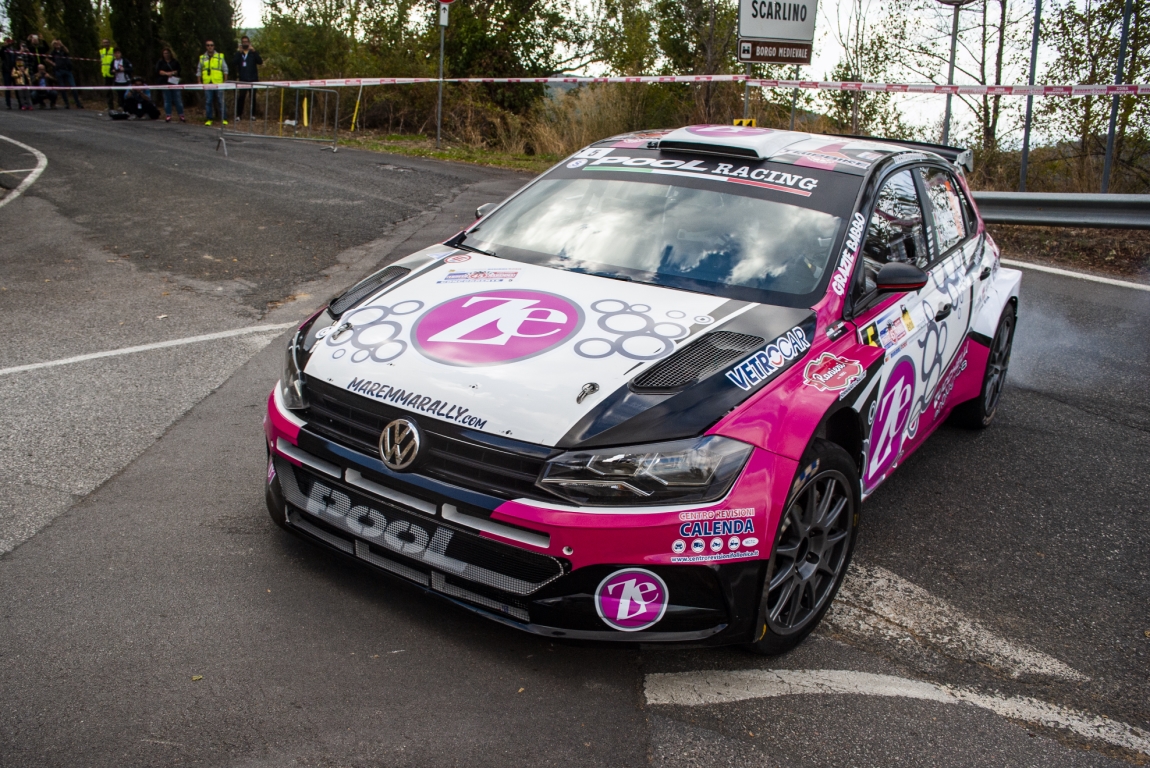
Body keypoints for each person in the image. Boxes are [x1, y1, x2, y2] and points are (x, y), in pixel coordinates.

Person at [197, 40, 228, 126]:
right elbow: (199, 69)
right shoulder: (202, 57)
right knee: (208, 101)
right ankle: (209, 119)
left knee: (221, 101)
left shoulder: (220, 56)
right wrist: (199, 81)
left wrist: (225, 81)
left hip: (218, 82)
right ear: (206, 47)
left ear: (214, 46)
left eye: (211, 45)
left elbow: (225, 69)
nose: (210, 47)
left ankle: (224, 118)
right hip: (207, 83)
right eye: (208, 45)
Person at [232, 35, 262, 120]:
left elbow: (260, 61)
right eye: (243, 42)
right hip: (243, 79)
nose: (245, 43)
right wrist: (238, 52)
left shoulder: (252, 53)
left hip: (253, 78)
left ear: (249, 43)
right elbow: (234, 63)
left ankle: (253, 115)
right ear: (241, 43)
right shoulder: (239, 53)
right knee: (241, 97)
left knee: (252, 97)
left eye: (246, 42)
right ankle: (239, 115)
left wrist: (254, 51)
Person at [49, 40, 82, 109]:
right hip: (59, 71)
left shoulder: (63, 51)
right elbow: (47, 59)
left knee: (73, 86)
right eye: (55, 44)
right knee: (62, 88)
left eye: (58, 43)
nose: (57, 45)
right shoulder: (53, 53)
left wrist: (62, 45)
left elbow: (67, 51)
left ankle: (77, 103)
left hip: (67, 70)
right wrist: (53, 64)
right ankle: (66, 103)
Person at [155, 47, 184, 122]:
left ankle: (181, 115)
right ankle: (168, 115)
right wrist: (166, 73)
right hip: (164, 82)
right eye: (165, 53)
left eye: (167, 53)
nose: (166, 55)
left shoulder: (175, 62)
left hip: (174, 82)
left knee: (178, 99)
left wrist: (172, 73)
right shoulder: (160, 62)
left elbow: (178, 70)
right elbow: (159, 71)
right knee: (167, 100)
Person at [100, 38, 115, 110]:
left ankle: (120, 106)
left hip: (113, 73)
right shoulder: (101, 51)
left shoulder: (113, 50)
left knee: (117, 90)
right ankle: (110, 106)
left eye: (106, 42)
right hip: (105, 73)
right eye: (104, 43)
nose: (105, 44)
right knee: (108, 91)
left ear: (109, 43)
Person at [1, 38, 16, 109]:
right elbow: (1, 54)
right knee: (7, 87)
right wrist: (4, 46)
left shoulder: (13, 50)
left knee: (17, 86)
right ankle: (8, 104)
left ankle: (21, 103)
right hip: (6, 70)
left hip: (15, 70)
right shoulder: (4, 50)